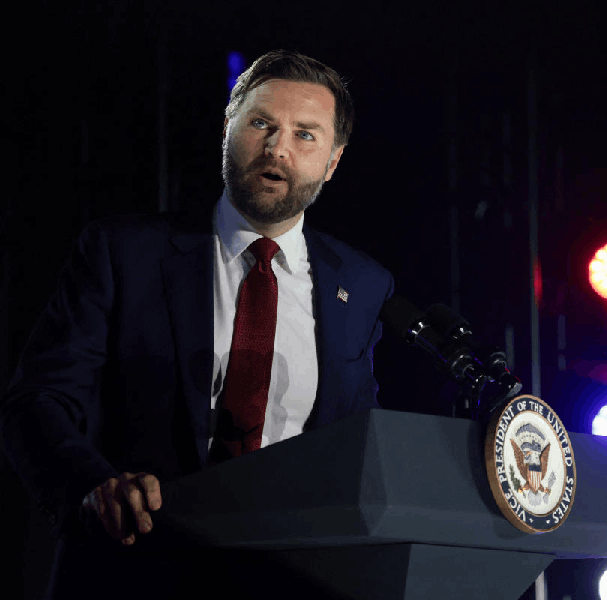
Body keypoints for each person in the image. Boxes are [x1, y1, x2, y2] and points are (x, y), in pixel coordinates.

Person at [0, 50, 393, 597]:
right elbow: (37, 401)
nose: (278, 147)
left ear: (332, 161)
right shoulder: (123, 253)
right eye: (261, 123)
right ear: (227, 130)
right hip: (135, 572)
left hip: (294, 581)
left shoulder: (364, 285)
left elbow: (361, 443)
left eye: (305, 134)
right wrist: (94, 485)